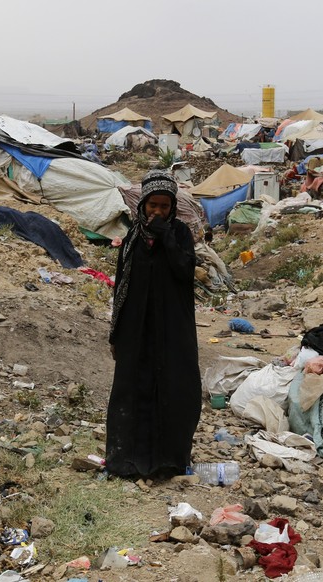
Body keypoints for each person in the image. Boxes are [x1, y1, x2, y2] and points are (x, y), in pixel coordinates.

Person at [106, 169, 201, 479]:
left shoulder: (181, 234)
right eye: (152, 206)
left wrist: (167, 238)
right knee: (131, 388)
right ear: (143, 205)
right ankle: (126, 461)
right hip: (136, 328)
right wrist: (116, 333)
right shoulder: (133, 237)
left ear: (172, 207)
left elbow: (185, 272)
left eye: (163, 206)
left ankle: (168, 461)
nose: (157, 212)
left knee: (174, 388)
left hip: (172, 329)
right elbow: (121, 285)